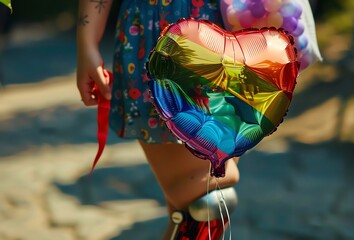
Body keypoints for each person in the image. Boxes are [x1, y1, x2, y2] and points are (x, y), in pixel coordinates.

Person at [76, 0, 240, 239]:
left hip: (231, 31)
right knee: (203, 203)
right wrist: (86, 44)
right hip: (162, 37)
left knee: (194, 210)